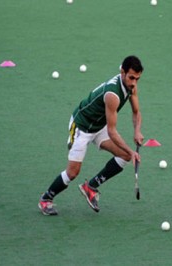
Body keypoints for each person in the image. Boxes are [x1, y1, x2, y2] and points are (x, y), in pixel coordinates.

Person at [38, 55, 144, 215]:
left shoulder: (132, 87)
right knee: (73, 172)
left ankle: (90, 186)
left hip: (98, 126)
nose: (134, 82)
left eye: (137, 79)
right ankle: (46, 199)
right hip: (81, 126)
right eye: (131, 78)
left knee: (124, 156)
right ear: (122, 72)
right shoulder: (112, 95)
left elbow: (136, 112)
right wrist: (132, 151)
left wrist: (137, 130)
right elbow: (112, 131)